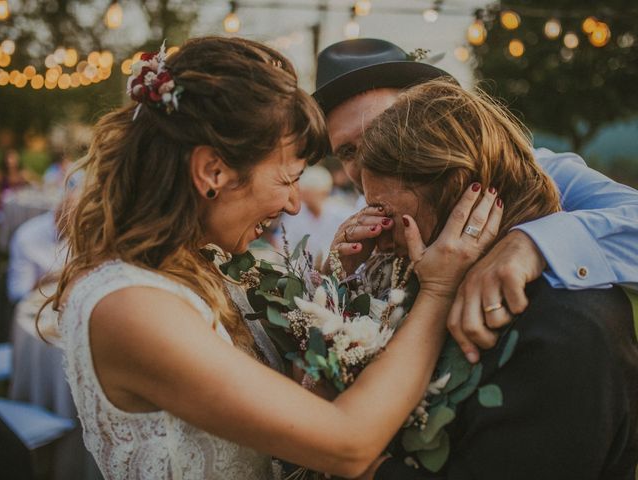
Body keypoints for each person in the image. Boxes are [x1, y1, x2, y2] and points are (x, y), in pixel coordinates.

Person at [50, 36, 503, 479]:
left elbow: (283, 399)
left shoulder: (200, 265)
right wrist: (440, 289)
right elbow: (347, 443)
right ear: (213, 171)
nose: (292, 205)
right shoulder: (130, 306)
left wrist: (338, 286)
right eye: (288, 179)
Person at [355, 79, 638, 479]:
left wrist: (365, 468)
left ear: (460, 194)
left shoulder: (567, 327)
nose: (379, 234)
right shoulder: (425, 281)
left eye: (383, 211)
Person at [314, 38, 638, 364]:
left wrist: (534, 242)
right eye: (347, 151)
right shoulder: (368, 226)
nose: (366, 161)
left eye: (380, 131)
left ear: (429, 113)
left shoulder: (540, 171)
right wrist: (340, 280)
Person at [277, 165, 354, 265]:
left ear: (323, 192)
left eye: (309, 192)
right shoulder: (294, 216)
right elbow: (285, 246)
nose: (303, 196)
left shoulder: (342, 214)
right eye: (303, 192)